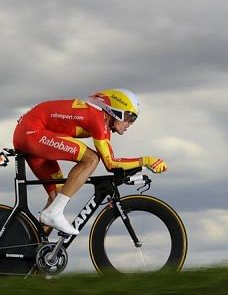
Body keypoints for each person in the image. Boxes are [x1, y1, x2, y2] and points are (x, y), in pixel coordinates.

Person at [12, 88, 167, 235]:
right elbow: (111, 163)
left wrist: (140, 165)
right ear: (118, 111)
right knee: (91, 159)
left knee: (58, 195)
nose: (130, 124)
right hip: (32, 133)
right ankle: (54, 213)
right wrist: (146, 160)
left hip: (29, 134)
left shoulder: (102, 126)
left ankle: (34, 251)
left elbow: (113, 163)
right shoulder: (97, 119)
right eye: (130, 117)